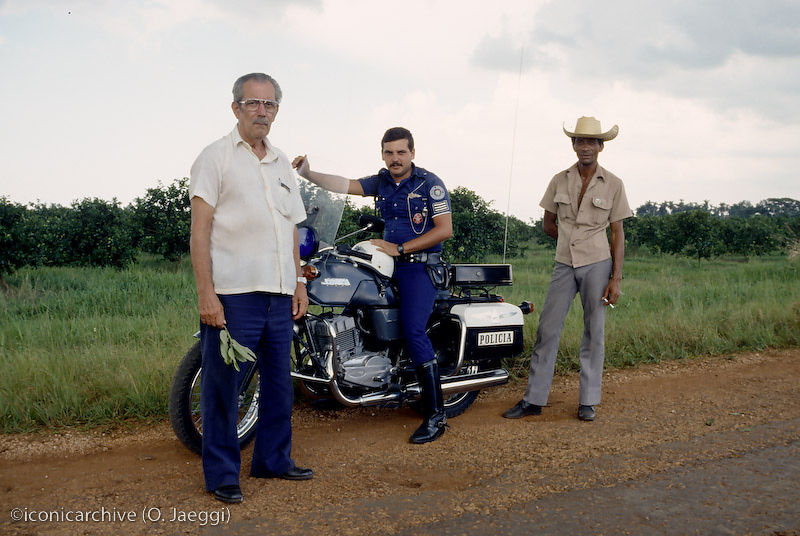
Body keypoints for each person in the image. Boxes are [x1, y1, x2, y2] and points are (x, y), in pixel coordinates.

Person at [189, 72, 313, 504]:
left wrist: (299, 282)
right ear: (236, 108)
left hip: (280, 294)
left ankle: (273, 461)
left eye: (270, 104)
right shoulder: (215, 157)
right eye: (253, 103)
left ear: (277, 109)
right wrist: (207, 293)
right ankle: (223, 474)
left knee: (279, 384)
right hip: (235, 295)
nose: (262, 111)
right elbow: (199, 232)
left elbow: (292, 229)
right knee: (224, 385)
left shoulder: (281, 163)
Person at [291, 127, 453, 444]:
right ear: (382, 154)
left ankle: (436, 415)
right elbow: (344, 185)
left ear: (412, 153)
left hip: (419, 267)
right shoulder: (380, 181)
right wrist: (308, 173)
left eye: (401, 152)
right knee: (355, 306)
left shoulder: (429, 184)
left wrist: (402, 249)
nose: (395, 158)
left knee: (413, 328)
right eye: (389, 152)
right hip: (386, 264)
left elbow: (444, 229)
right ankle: (347, 379)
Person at [503, 116, 632, 422]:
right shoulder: (559, 180)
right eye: (580, 141)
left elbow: (617, 233)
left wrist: (616, 278)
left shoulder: (613, 183)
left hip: (597, 265)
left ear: (601, 146)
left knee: (593, 332)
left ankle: (588, 401)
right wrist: (570, 242)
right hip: (564, 264)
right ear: (573, 145)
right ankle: (534, 399)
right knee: (547, 329)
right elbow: (549, 223)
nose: (585, 147)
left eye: (591, 141)